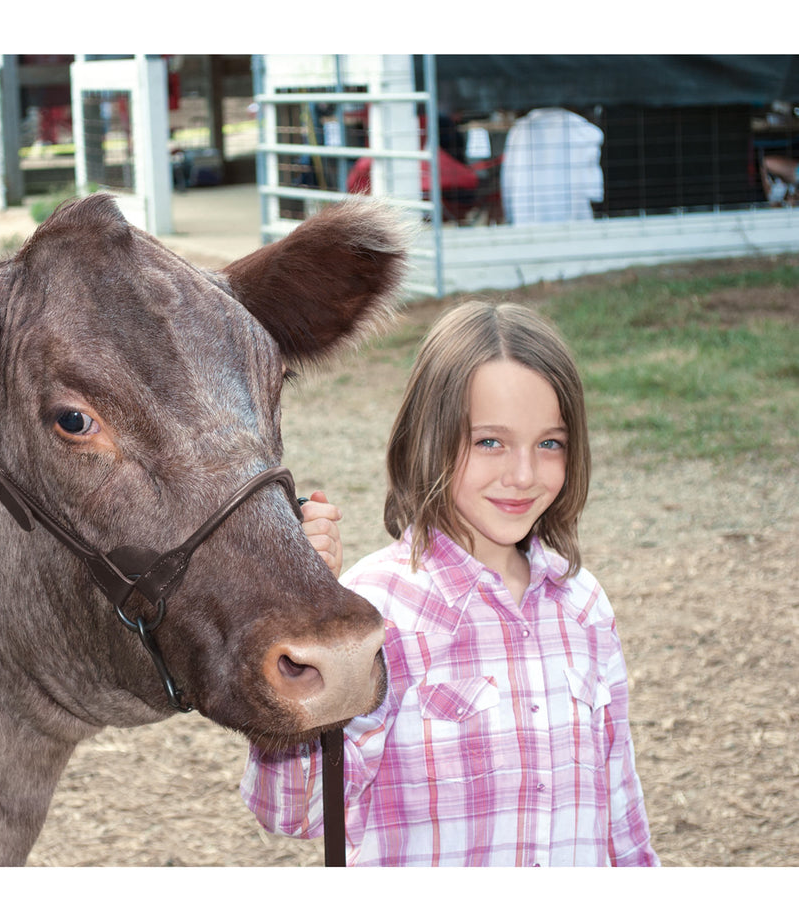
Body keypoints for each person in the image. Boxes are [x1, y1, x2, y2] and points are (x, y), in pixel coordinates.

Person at [242, 301, 658, 867]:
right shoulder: (374, 610)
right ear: (429, 438)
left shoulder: (583, 605)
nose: (523, 475)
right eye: (490, 441)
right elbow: (292, 813)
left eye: (549, 443)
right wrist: (299, 625)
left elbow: (622, 818)